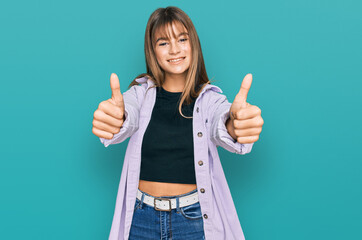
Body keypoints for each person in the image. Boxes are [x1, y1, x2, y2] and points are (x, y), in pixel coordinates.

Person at [92, 6, 263, 240]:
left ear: (193, 43)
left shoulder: (210, 99)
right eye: (163, 43)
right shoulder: (140, 95)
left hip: (192, 220)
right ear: (152, 50)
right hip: (140, 218)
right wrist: (114, 118)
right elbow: (126, 115)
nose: (174, 49)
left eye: (182, 39)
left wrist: (236, 125)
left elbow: (221, 122)